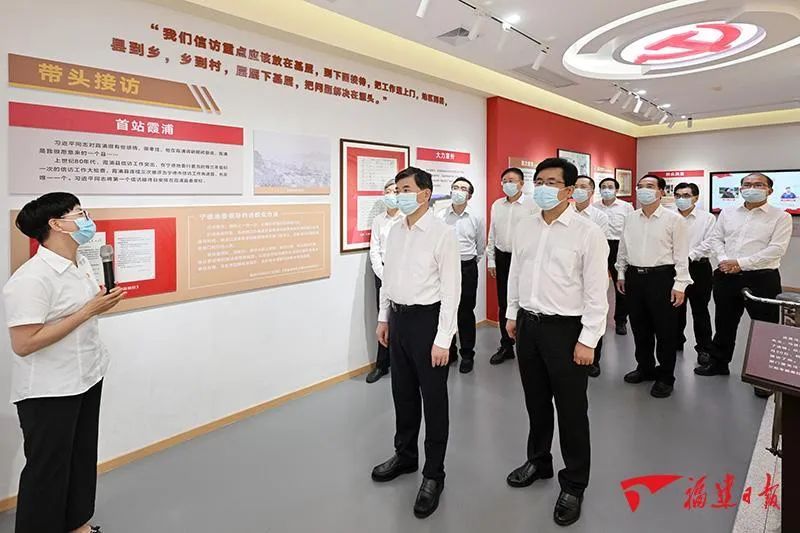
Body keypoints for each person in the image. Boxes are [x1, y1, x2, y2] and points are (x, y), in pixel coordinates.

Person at [2, 193, 126, 533]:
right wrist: (88, 310)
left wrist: (98, 303)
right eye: (79, 213)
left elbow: (76, 315)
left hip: (87, 375)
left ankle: (77, 524)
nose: (88, 219)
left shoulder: (80, 263)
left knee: (80, 457)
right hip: (49, 389)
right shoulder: (31, 279)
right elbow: (24, 343)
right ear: (56, 224)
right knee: (48, 469)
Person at [505, 158, 609, 526]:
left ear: (568, 191)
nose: (543, 187)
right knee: (536, 402)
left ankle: (575, 483)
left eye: (551, 182)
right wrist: (512, 313)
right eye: (539, 181)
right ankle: (539, 461)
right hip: (529, 326)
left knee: (571, 410)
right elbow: (516, 272)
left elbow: (597, 292)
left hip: (566, 330)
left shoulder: (587, 233)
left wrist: (588, 339)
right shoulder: (525, 225)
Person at [372, 167, 460, 519]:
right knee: (403, 394)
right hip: (398, 319)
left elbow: (452, 291)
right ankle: (406, 456)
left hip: (428, 322)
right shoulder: (395, 230)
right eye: (397, 189)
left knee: (434, 401)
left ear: (425, 194)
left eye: (406, 189)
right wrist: (384, 317)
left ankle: (434, 474)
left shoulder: (442, 234)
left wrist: (444, 339)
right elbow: (388, 278)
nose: (399, 195)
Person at [695, 173, 792, 398]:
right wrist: (723, 261)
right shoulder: (727, 213)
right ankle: (719, 363)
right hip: (726, 275)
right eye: (747, 184)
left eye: (758, 185)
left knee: (765, 327)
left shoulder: (781, 216)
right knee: (724, 322)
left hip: (762, 278)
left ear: (769, 190)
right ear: (740, 189)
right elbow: (717, 239)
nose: (751, 188)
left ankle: (763, 377)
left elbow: (776, 249)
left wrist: (740, 263)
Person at [616, 175, 691, 398]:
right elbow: (623, 247)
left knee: (665, 330)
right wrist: (621, 273)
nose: (643, 190)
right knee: (640, 327)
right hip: (634, 277)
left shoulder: (674, 220)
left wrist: (680, 284)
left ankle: (666, 376)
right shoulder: (630, 218)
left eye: (650, 186)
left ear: (661, 192)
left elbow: (681, 255)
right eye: (640, 186)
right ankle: (645, 367)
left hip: (662, 278)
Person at [487, 167, 538, 365]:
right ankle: (506, 346)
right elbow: (492, 233)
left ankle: (526, 346)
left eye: (512, 180)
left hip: (525, 259)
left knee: (524, 302)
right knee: (504, 302)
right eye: (505, 180)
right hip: (502, 257)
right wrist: (491, 259)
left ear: (521, 183)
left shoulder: (532, 204)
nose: (508, 184)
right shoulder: (497, 205)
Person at [438, 177, 485, 374]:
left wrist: (470, 262)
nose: (458, 191)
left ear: (469, 195)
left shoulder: (476, 217)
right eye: (455, 187)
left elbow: (480, 246)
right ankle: (449, 351)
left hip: (467, 267)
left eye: (463, 188)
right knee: (445, 309)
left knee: (465, 312)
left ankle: (467, 354)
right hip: (444, 268)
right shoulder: (440, 215)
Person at [673, 183, 716, 364]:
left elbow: (710, 242)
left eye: (686, 195)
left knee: (700, 310)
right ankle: (676, 341)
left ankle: (704, 348)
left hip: (699, 268)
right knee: (675, 307)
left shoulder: (707, 218)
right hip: (674, 268)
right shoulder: (669, 216)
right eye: (677, 195)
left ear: (695, 198)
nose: (681, 199)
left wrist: (689, 256)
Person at [365, 179, 403, 383]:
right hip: (382, 274)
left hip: (402, 275)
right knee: (383, 318)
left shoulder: (406, 218)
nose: (392, 195)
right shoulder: (378, 220)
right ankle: (382, 364)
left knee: (399, 319)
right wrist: (382, 273)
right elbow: (374, 250)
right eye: (388, 191)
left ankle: (400, 363)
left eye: (396, 191)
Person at [573, 175, 609, 378]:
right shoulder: (567, 212)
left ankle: (594, 359)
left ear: (591, 192)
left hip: (591, 270)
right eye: (576, 186)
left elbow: (599, 247)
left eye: (583, 186)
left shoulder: (599, 217)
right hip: (571, 273)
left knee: (594, 312)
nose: (579, 190)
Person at [595, 178, 634, 335]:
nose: (606, 189)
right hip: (598, 245)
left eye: (610, 187)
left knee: (621, 284)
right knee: (596, 283)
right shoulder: (594, 207)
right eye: (603, 187)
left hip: (618, 246)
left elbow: (631, 229)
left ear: (616, 190)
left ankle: (620, 320)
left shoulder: (626, 207)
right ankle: (596, 319)